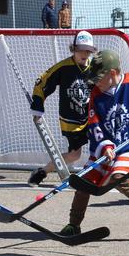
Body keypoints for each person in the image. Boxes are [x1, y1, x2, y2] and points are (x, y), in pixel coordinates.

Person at [59, 49, 129, 243]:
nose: (95, 83)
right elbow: (94, 122)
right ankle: (73, 225)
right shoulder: (96, 93)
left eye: (98, 79)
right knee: (82, 181)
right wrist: (104, 145)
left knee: (119, 178)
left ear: (112, 73)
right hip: (105, 147)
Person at [27, 31, 97, 186]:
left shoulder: (95, 68)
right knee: (74, 155)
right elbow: (42, 82)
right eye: (80, 50)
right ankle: (42, 171)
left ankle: (99, 176)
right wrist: (38, 104)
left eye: (87, 51)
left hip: (92, 117)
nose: (84, 54)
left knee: (102, 146)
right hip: (71, 119)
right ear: (74, 49)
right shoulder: (64, 67)